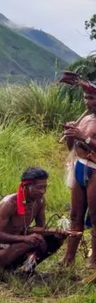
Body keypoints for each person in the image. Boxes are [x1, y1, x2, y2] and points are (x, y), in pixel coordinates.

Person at [0, 168, 68, 272]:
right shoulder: (9, 204)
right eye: (39, 188)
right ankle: (4, 269)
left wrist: (57, 232)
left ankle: (28, 269)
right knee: (30, 242)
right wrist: (24, 239)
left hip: (18, 243)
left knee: (54, 239)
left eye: (45, 187)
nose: (43, 191)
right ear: (25, 186)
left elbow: (41, 228)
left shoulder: (40, 201)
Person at [60, 74, 96, 267]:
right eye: (86, 98)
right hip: (80, 166)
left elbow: (88, 142)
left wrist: (85, 138)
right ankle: (69, 257)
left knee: (95, 217)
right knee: (75, 215)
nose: (87, 102)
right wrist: (70, 136)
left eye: (91, 98)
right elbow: (73, 148)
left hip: (95, 170)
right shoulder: (86, 119)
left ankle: (94, 261)